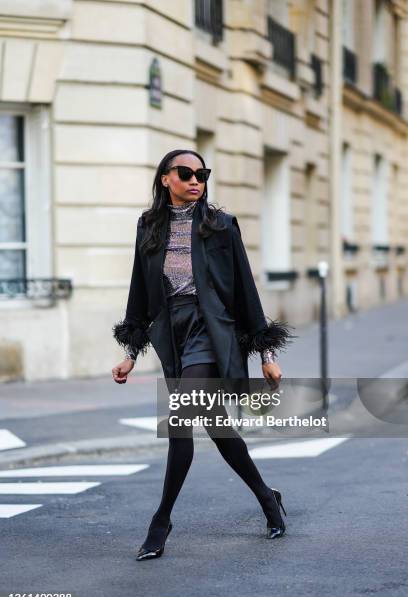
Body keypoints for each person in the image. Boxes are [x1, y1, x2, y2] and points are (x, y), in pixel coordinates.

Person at [112, 149, 295, 561]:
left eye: (202, 174)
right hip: (171, 334)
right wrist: (131, 352)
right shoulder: (149, 226)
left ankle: (160, 522)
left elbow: (245, 288)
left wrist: (265, 352)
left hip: (211, 330)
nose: (196, 180)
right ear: (165, 179)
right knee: (216, 426)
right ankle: (268, 498)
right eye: (186, 173)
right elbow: (139, 289)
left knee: (181, 420)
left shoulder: (220, 226)